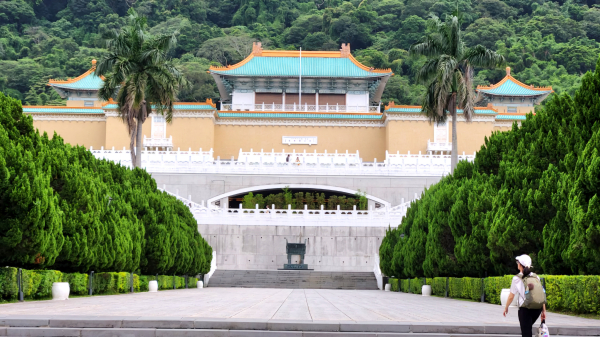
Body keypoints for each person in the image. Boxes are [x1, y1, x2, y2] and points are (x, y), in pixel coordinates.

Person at [503, 254, 546, 337]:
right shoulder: (536, 276)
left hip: (525, 310)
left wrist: (506, 307)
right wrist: (543, 311)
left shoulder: (516, 278)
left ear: (520, 265)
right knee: (528, 330)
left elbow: (511, 296)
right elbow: (541, 294)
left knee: (526, 333)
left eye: (517, 262)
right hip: (537, 309)